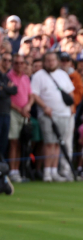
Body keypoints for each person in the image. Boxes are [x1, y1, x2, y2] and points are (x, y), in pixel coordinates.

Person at [31, 52, 75, 182]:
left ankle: (54, 171)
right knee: (49, 143)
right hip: (47, 114)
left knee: (57, 143)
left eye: (53, 60)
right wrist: (44, 107)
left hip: (64, 114)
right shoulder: (39, 76)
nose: (50, 63)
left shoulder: (63, 74)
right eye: (48, 61)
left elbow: (70, 92)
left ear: (57, 61)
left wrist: (71, 106)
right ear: (44, 62)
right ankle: (47, 172)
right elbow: (35, 94)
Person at [7, 54, 34, 182]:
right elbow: (7, 99)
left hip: (25, 112)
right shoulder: (8, 76)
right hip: (13, 111)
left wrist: (28, 106)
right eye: (16, 63)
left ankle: (17, 170)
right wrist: (20, 110)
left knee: (20, 142)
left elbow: (31, 95)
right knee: (14, 142)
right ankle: (12, 170)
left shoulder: (25, 78)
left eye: (21, 63)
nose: (19, 65)